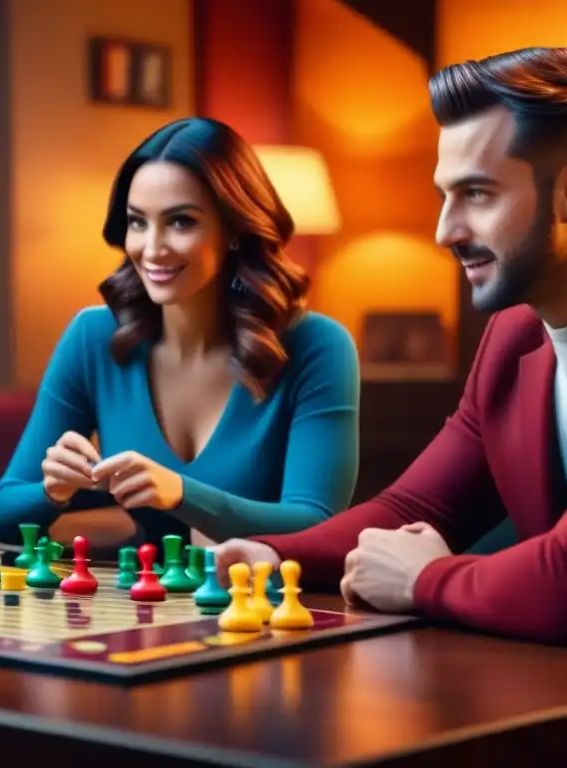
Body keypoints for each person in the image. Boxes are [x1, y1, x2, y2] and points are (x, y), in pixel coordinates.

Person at [211, 48, 567, 645]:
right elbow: (418, 506)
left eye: (477, 194)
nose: (445, 231)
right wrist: (273, 554)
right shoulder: (514, 337)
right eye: (445, 196)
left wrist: (429, 578)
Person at [0, 117, 360, 552]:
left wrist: (182, 494)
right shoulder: (92, 337)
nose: (153, 248)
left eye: (181, 222)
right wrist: (53, 491)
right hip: (139, 609)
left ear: (235, 230)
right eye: (138, 222)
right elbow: (5, 512)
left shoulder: (318, 346)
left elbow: (316, 522)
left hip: (264, 611)